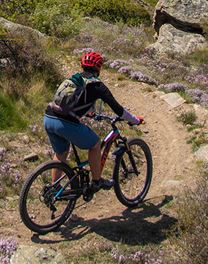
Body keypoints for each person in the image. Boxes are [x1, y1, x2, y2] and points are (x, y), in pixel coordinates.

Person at [43, 51, 142, 190]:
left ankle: (55, 188)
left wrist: (90, 114)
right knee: (95, 144)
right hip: (64, 124)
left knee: (61, 153)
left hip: (48, 118)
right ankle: (97, 181)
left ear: (83, 66)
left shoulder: (73, 79)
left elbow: (73, 101)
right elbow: (118, 109)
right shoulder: (97, 86)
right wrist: (135, 120)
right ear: (98, 68)